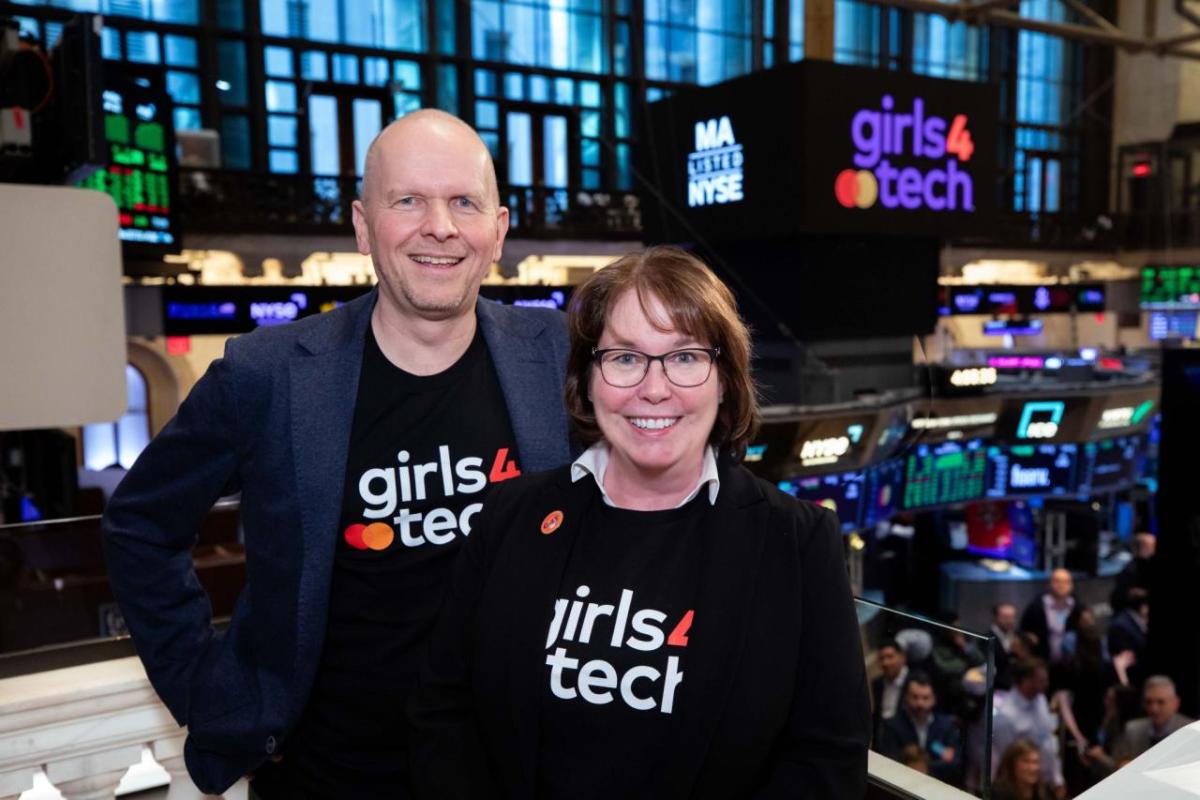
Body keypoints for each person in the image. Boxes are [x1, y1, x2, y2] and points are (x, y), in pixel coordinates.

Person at [101, 110, 574, 797]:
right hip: (329, 776)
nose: (438, 225)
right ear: (361, 226)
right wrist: (214, 691)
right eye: (407, 200)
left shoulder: (558, 355)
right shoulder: (267, 375)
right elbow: (140, 526)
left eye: (463, 202)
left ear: (497, 230)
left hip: (516, 769)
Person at [409, 246, 871, 798]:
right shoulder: (510, 517)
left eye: (685, 356)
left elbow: (827, 761)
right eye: (625, 358)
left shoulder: (798, 542)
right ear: (587, 380)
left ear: (724, 379)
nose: (654, 388)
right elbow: (442, 711)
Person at [991, 659, 1064, 795]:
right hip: (1017, 788)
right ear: (1026, 681)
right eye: (1041, 680)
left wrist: (1058, 779)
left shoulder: (1041, 701)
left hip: (1045, 784)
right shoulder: (1005, 714)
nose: (1047, 684)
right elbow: (1005, 758)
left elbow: (1048, 741)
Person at [877, 673, 962, 786]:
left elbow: (955, 763)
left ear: (934, 699)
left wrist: (925, 766)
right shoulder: (892, 725)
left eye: (925, 698)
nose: (920, 703)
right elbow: (889, 761)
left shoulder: (946, 725)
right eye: (915, 697)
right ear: (906, 697)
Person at [1112, 675, 1195, 763]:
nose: (1154, 709)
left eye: (1161, 702)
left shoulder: (1191, 731)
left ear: (1175, 703)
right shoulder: (1133, 730)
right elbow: (1118, 762)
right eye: (1149, 702)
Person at [1019, 568, 1082, 666]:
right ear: (1049, 583)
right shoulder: (1036, 607)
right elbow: (1023, 632)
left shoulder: (1078, 607)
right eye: (1057, 581)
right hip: (1043, 665)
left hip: (1072, 667)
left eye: (1066, 582)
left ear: (1071, 585)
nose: (1061, 585)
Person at [991, 740, 1056, 800]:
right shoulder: (997, 792)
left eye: (1035, 762)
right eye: (1026, 761)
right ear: (1012, 764)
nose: (1032, 768)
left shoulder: (1046, 792)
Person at [871, 638, 909, 732]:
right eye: (881, 658)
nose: (885, 663)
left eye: (890, 657)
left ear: (902, 657)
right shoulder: (877, 683)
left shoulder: (914, 681)